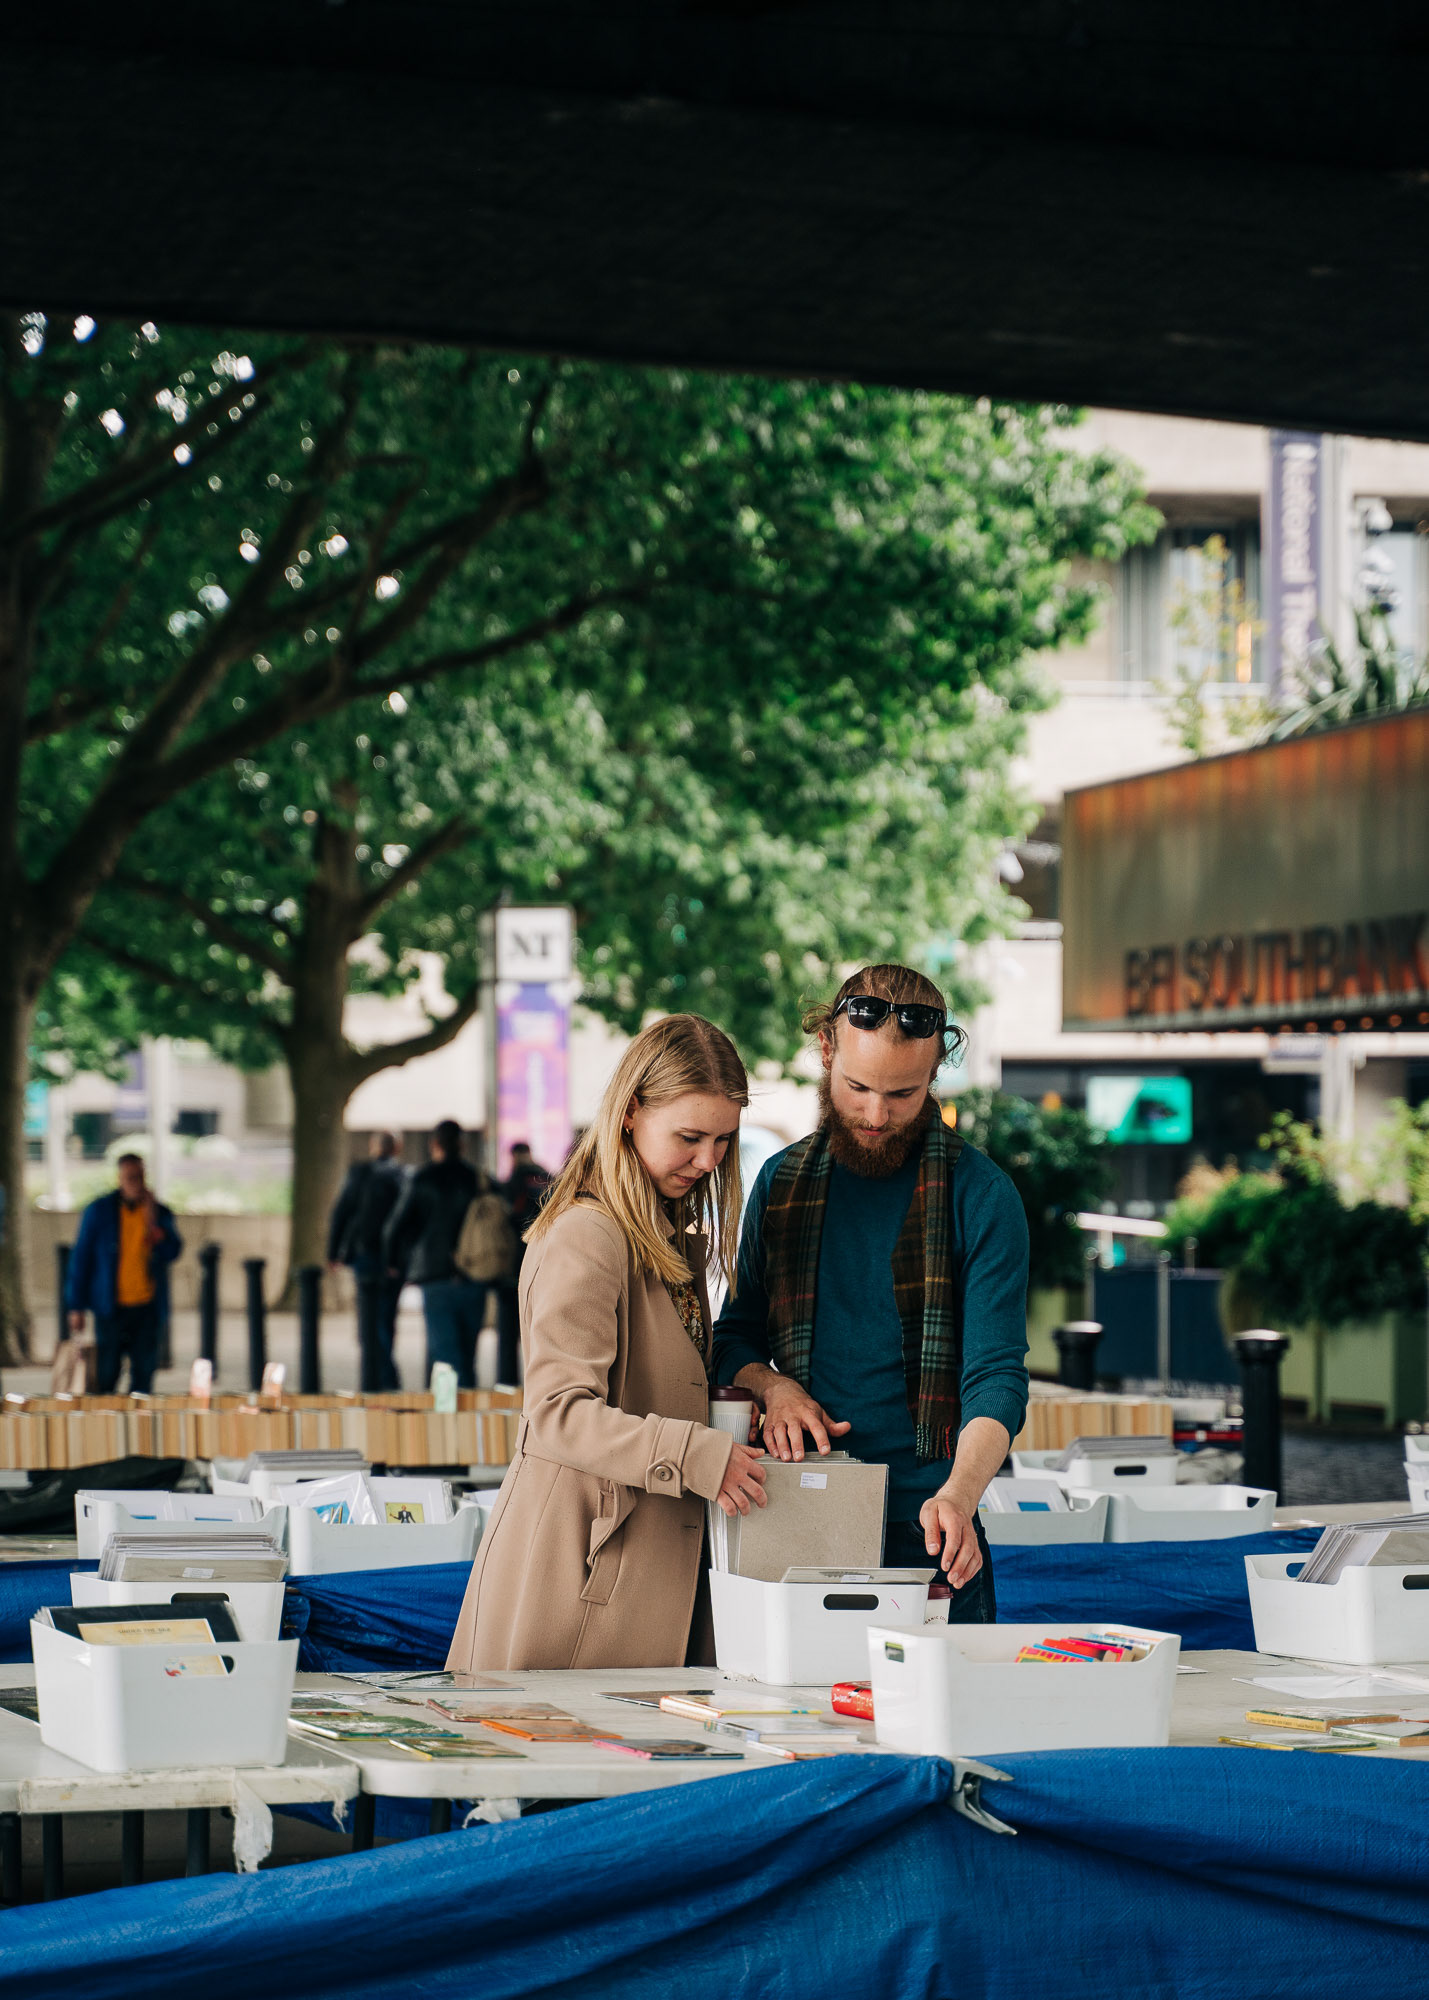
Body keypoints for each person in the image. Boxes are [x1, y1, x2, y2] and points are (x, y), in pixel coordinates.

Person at [447, 1014, 767, 1672]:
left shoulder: (660, 1229)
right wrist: (698, 1454)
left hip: (628, 1569)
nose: (707, 1160)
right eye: (688, 1136)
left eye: (721, 1141)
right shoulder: (590, 1233)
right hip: (579, 1577)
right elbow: (558, 1412)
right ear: (629, 1113)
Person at [711, 964, 1029, 1620]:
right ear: (826, 1051)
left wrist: (960, 1495)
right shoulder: (781, 1182)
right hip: (796, 1523)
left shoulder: (982, 1196)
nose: (876, 1115)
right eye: (856, 1088)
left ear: (935, 1070)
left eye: (902, 1094)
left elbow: (995, 1379)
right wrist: (774, 1387)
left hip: (933, 1533)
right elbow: (733, 1337)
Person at [382, 1119, 490, 1388]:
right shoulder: (478, 1180)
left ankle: (448, 1417)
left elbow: (396, 1226)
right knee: (467, 1355)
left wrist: (394, 1263)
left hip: (435, 1277)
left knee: (445, 1357)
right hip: (475, 1274)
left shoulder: (422, 1179)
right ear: (462, 1145)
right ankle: (470, 1413)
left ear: (434, 1145)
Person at [65, 1153, 183, 1394]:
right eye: (130, 1178)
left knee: (144, 1374)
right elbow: (82, 1259)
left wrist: (153, 1225)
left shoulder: (159, 1212)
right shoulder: (99, 1212)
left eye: (140, 1177)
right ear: (119, 1179)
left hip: (147, 1308)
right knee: (107, 1374)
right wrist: (75, 1306)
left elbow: (172, 1251)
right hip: (111, 1307)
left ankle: (140, 1426)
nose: (136, 1183)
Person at [327, 1131, 406, 1390]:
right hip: (394, 1259)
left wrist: (333, 1253)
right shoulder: (403, 1176)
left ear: (374, 1148)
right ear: (396, 1149)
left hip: (365, 1255)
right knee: (387, 1316)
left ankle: (379, 1375)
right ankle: (384, 1373)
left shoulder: (360, 1174)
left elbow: (341, 1212)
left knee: (369, 1317)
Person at [491, 1140, 553, 1384]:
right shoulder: (549, 1178)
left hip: (512, 1269)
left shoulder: (511, 1183)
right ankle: (540, 1384)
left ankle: (507, 1384)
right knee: (541, 1332)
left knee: (508, 1334)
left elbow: (505, 1223)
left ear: (514, 1157)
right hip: (544, 1268)